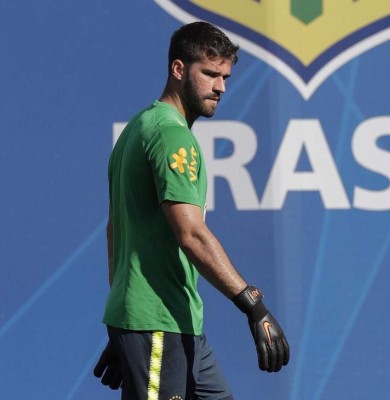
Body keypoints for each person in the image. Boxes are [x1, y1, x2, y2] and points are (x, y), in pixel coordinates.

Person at [92, 21, 290, 400]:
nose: (221, 87)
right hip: (157, 325)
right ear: (178, 69)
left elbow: (115, 228)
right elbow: (191, 233)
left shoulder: (140, 126)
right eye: (210, 74)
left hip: (176, 326)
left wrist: (125, 320)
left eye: (225, 76)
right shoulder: (172, 136)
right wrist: (253, 305)